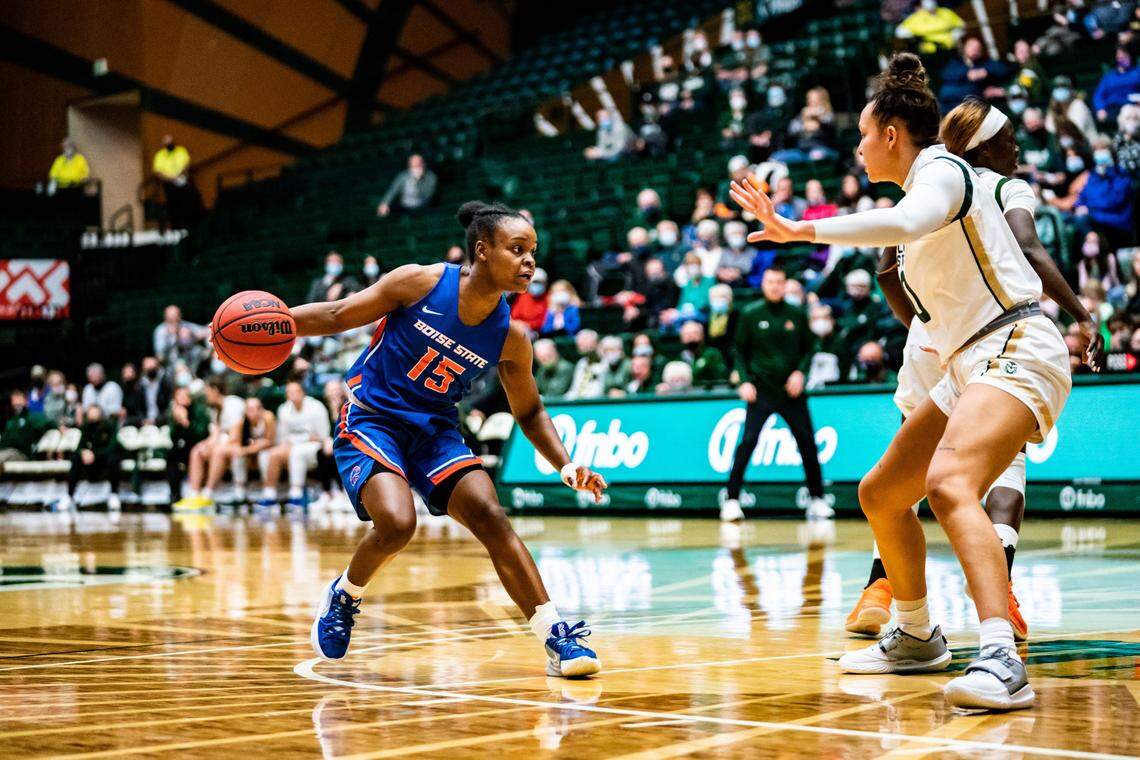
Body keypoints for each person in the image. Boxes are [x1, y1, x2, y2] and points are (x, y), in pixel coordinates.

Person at [728, 53, 1092, 710]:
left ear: (893, 134)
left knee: (951, 484)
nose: (859, 149)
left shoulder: (945, 173)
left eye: (865, 136)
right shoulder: (919, 198)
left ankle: (1000, 656)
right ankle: (918, 635)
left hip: (1017, 343)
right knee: (881, 494)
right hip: (966, 363)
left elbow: (901, 224)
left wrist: (798, 229)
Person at [287, 201, 606, 677]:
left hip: (434, 429)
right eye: (517, 249)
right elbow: (336, 314)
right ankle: (345, 594)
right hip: (372, 417)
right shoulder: (420, 282)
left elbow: (531, 409)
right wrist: (272, 322)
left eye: (532, 251)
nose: (529, 262)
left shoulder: (511, 337)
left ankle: (556, 635)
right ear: (482, 250)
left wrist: (565, 464)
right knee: (397, 523)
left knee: (490, 515)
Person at [847, 95, 1106, 643]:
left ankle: (992, 644)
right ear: (987, 144)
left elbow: (887, 273)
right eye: (1008, 139)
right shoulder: (1002, 186)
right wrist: (1083, 313)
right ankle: (920, 631)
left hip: (970, 338)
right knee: (895, 488)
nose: (1015, 148)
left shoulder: (936, 181)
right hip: (969, 343)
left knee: (945, 481)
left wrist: (925, 323)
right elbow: (1029, 246)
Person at [720, 267, 830, 523]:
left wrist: (800, 373)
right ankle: (732, 500)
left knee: (807, 443)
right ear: (763, 284)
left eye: (780, 282)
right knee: (747, 442)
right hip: (761, 391)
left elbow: (809, 348)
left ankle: (817, 500)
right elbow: (739, 352)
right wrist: (744, 382)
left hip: (792, 392)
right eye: (771, 282)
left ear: (785, 285)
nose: (775, 286)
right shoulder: (750, 314)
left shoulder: (797, 315)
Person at [172, 378, 246, 509]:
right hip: (224, 444)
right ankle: (194, 494)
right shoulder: (214, 410)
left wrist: (215, 445)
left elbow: (236, 437)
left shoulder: (234, 403)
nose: (205, 396)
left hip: (241, 444)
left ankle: (208, 494)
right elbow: (214, 436)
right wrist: (205, 445)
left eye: (207, 392)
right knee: (197, 450)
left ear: (215, 390)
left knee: (218, 451)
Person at [260, 381, 332, 508]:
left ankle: (296, 494)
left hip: (315, 446)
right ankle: (269, 494)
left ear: (303, 392)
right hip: (294, 444)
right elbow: (284, 437)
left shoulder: (316, 407)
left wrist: (299, 441)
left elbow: (322, 436)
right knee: (271, 454)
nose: (292, 395)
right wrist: (290, 443)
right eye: (289, 392)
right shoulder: (284, 409)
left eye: (295, 391)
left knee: (297, 452)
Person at [58, 404, 121, 512]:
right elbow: (79, 446)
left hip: (104, 457)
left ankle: (114, 495)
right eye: (90, 413)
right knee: (75, 458)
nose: (92, 415)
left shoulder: (109, 426)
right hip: (90, 458)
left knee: (114, 459)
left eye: (95, 412)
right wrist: (83, 452)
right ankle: (69, 495)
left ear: (100, 414)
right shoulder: (86, 426)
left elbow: (112, 447)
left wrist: (94, 454)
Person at [938, 36, 1010, 113]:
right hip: (954, 108)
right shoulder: (955, 64)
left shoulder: (986, 63)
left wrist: (986, 72)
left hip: (977, 108)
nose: (975, 49)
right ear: (964, 48)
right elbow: (946, 84)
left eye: (978, 47)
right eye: (971, 46)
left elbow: (1004, 70)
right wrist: (966, 75)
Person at [166, 386, 211, 503]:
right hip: (183, 447)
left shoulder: (199, 410)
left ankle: (196, 492)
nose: (182, 398)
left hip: (200, 445)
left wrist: (185, 422)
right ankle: (175, 494)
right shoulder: (174, 412)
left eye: (184, 395)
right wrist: (177, 421)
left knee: (193, 452)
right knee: (171, 455)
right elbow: (172, 437)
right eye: (179, 396)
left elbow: (200, 435)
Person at [153, 134, 199, 228]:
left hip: (183, 181)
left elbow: (187, 164)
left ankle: (190, 224)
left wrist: (181, 175)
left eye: (170, 142)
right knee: (173, 206)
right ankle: (176, 226)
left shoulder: (181, 151)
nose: (169, 144)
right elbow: (157, 172)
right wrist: (171, 179)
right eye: (167, 143)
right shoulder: (160, 155)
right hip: (169, 184)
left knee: (187, 203)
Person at [0, 389, 50, 472]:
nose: (17, 403)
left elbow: (49, 423)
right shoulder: (10, 420)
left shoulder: (32, 417)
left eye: (19, 399)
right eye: (14, 400)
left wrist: (60, 427)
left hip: (21, 453)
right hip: (6, 452)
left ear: (25, 400)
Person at [1093, 42, 1140, 124]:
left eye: (1126, 55)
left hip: (1133, 107)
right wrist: (1100, 109)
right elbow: (1098, 95)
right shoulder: (1109, 77)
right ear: (1116, 58)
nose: (1123, 58)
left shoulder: (1137, 72)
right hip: (1112, 108)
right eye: (1120, 56)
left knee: (1129, 113)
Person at [894, 0, 965, 54]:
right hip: (929, 52)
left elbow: (961, 25)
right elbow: (900, 31)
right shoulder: (917, 17)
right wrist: (914, 36)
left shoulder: (946, 12)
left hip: (950, 48)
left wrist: (955, 36)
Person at [678, 320, 728, 387]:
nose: (691, 337)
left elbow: (722, 378)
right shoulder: (679, 358)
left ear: (702, 335)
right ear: (681, 338)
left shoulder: (711, 354)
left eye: (694, 333)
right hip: (685, 395)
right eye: (687, 334)